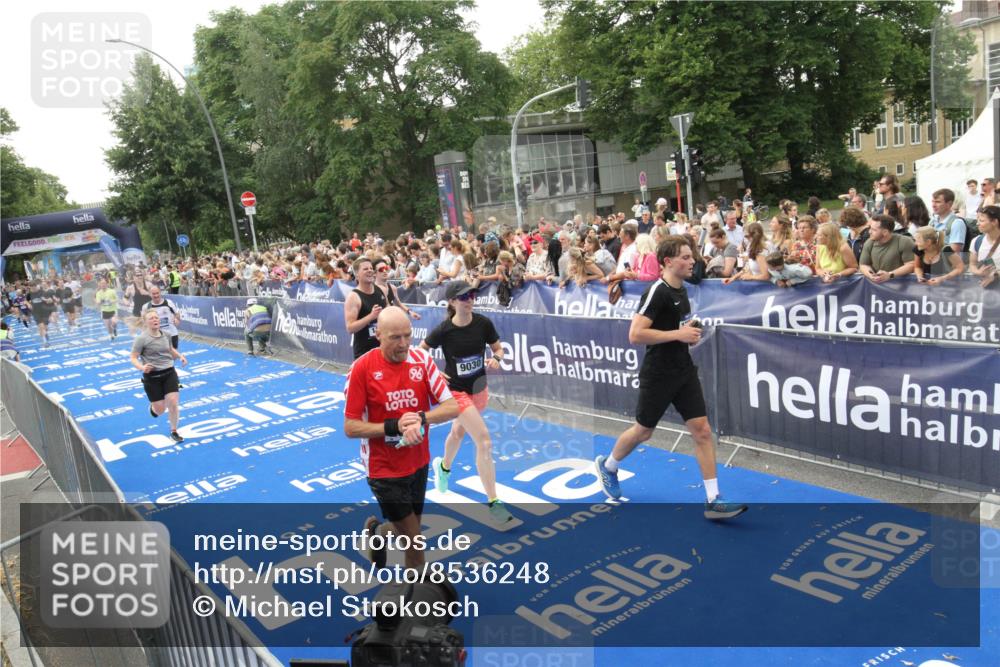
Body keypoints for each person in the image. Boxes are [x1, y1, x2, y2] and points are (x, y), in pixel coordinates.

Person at [594, 236, 748, 520]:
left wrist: (686, 332)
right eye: (686, 258)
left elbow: (674, 328)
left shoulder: (682, 291)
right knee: (643, 431)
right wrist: (678, 334)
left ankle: (713, 500)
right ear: (668, 262)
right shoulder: (657, 291)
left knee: (701, 430)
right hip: (659, 373)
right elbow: (635, 334)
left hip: (684, 370)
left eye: (692, 257)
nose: (693, 262)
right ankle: (609, 466)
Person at [344, 306, 459, 569]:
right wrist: (393, 427)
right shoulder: (361, 369)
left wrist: (421, 418)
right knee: (415, 544)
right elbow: (350, 427)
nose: (404, 344)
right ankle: (417, 605)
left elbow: (451, 406)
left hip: (418, 461)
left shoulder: (421, 359)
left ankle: (379, 534)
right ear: (378, 335)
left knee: (408, 531)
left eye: (407, 335)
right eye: (395, 337)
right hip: (383, 469)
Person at [419, 281, 512, 523]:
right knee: (484, 440)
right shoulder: (444, 329)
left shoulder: (483, 323)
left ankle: (443, 467)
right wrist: (434, 373)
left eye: (471, 295)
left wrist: (497, 359)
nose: (469, 299)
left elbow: (498, 348)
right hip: (455, 392)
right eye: (463, 297)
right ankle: (494, 502)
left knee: (458, 433)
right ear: (451, 302)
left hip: (479, 389)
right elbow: (420, 353)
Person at [131, 310, 187, 443]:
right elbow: (133, 357)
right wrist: (142, 367)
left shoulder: (166, 335)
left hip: (169, 373)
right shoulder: (141, 339)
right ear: (145, 322)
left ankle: (174, 431)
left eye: (156, 318)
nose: (155, 320)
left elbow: (170, 349)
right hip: (152, 378)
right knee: (160, 410)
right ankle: (153, 408)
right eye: (151, 318)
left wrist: (180, 356)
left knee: (173, 403)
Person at [345, 257, 388, 360]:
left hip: (384, 349)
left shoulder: (381, 290)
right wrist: (371, 316)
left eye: (371, 268)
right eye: (365, 269)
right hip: (365, 353)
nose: (369, 270)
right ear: (357, 275)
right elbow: (350, 328)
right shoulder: (353, 297)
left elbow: (388, 311)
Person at [859, 215, 916, 283]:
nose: (869, 232)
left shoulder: (904, 241)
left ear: (885, 232)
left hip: (901, 287)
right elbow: (864, 264)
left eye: (873, 229)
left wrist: (890, 275)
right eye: (870, 228)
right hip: (877, 286)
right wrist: (871, 275)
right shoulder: (869, 242)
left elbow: (911, 265)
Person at [141, 285, 182, 350]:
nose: (156, 295)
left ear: (160, 292)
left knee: (173, 356)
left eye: (157, 293)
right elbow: (143, 322)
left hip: (171, 334)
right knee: (159, 357)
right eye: (153, 294)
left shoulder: (168, 303)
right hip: (155, 336)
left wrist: (177, 319)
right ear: (150, 294)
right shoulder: (146, 307)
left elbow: (177, 314)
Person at [969, 205, 1000, 288]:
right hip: (984, 289)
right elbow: (972, 264)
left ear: (994, 222)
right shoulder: (976, 241)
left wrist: (995, 276)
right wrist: (978, 272)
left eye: (981, 220)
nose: (977, 223)